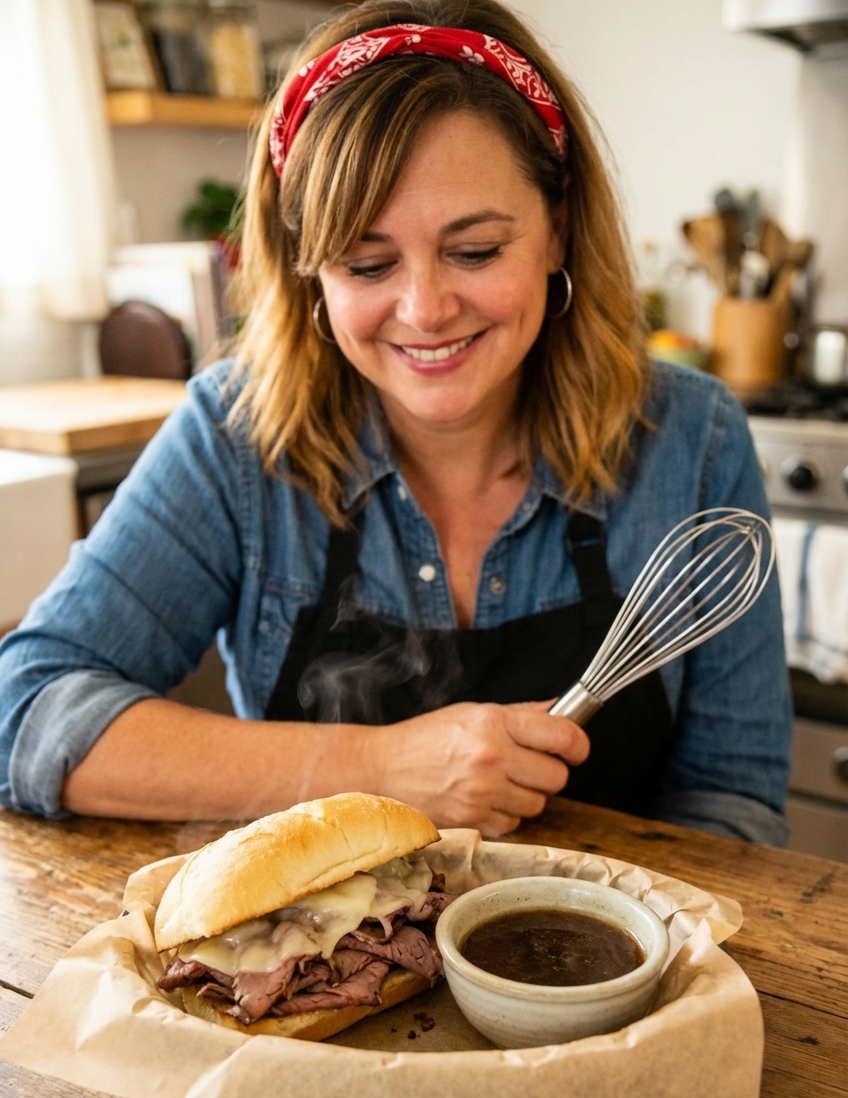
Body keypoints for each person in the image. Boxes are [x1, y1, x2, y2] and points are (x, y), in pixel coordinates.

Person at [0, 0, 792, 843]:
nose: (424, 309)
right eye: (367, 263)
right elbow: (28, 711)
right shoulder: (235, 439)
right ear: (312, 271)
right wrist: (383, 770)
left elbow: (733, 806)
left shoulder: (691, 439)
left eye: (476, 250)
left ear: (558, 230)